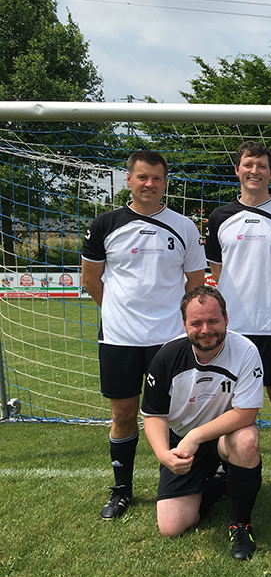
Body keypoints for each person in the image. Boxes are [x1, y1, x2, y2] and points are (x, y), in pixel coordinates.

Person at [81, 150, 206, 520]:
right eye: (142, 177)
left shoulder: (183, 226)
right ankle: (122, 490)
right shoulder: (105, 224)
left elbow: (195, 285)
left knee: (174, 414)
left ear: (165, 183)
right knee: (123, 413)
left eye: (156, 178)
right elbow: (91, 279)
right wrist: (119, 313)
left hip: (169, 340)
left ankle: (179, 483)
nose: (149, 184)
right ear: (129, 180)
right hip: (119, 338)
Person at [205, 141, 271, 503]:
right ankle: (224, 466)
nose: (255, 171)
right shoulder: (219, 218)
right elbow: (219, 271)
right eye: (248, 164)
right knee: (228, 403)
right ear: (238, 170)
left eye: (262, 165)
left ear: (270, 172)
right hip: (234, 329)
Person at [141, 286, 264, 560]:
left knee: (247, 440)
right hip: (182, 444)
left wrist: (196, 435)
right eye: (196, 322)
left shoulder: (245, 351)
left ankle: (240, 524)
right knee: (171, 527)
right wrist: (164, 455)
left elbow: (246, 413)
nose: (206, 329)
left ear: (227, 320)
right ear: (184, 324)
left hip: (223, 437)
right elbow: (153, 415)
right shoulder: (166, 357)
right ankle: (223, 482)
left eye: (213, 321)